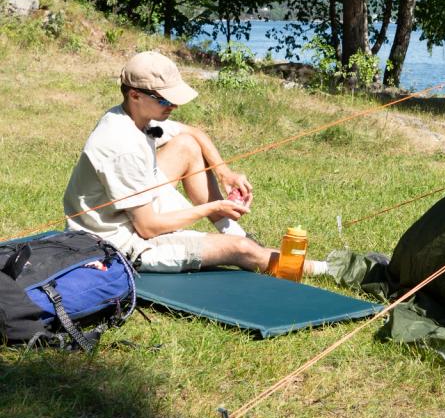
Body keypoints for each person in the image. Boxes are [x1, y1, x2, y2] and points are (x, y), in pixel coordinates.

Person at [63, 51, 327, 276]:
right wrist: (211, 207)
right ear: (134, 95)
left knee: (187, 146)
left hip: (135, 210)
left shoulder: (137, 116)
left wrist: (225, 173)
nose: (174, 105)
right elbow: (147, 228)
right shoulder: (121, 146)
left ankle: (236, 233)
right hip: (120, 244)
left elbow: (195, 134)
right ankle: (327, 269)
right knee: (242, 251)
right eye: (165, 99)